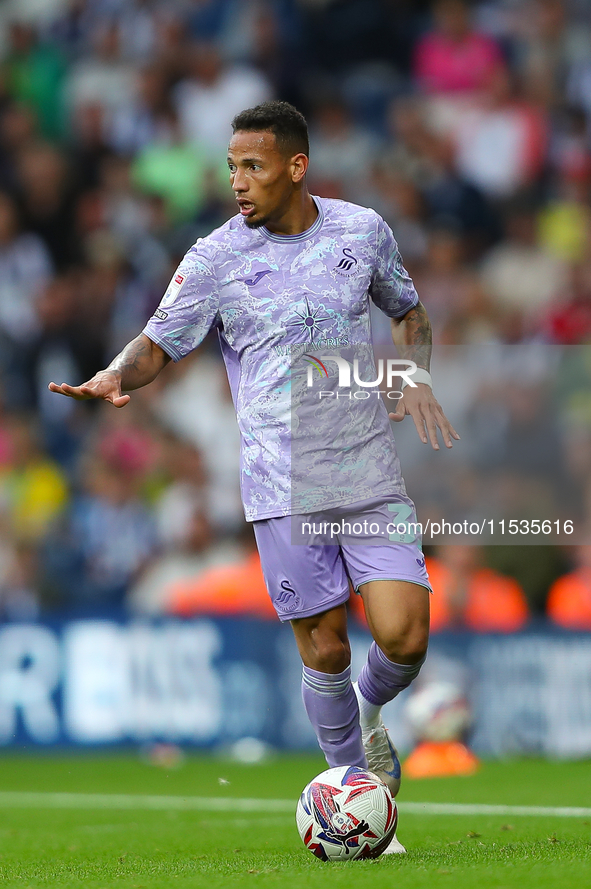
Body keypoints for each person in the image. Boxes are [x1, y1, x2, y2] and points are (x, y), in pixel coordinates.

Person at [49, 100, 459, 853]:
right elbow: (156, 341)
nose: (237, 181)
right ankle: (355, 803)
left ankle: (369, 714)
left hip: (367, 472)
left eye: (253, 166)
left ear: (296, 167)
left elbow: (409, 311)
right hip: (280, 486)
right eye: (231, 166)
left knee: (404, 634)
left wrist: (412, 375)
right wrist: (114, 374)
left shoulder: (361, 231)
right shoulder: (214, 258)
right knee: (326, 648)